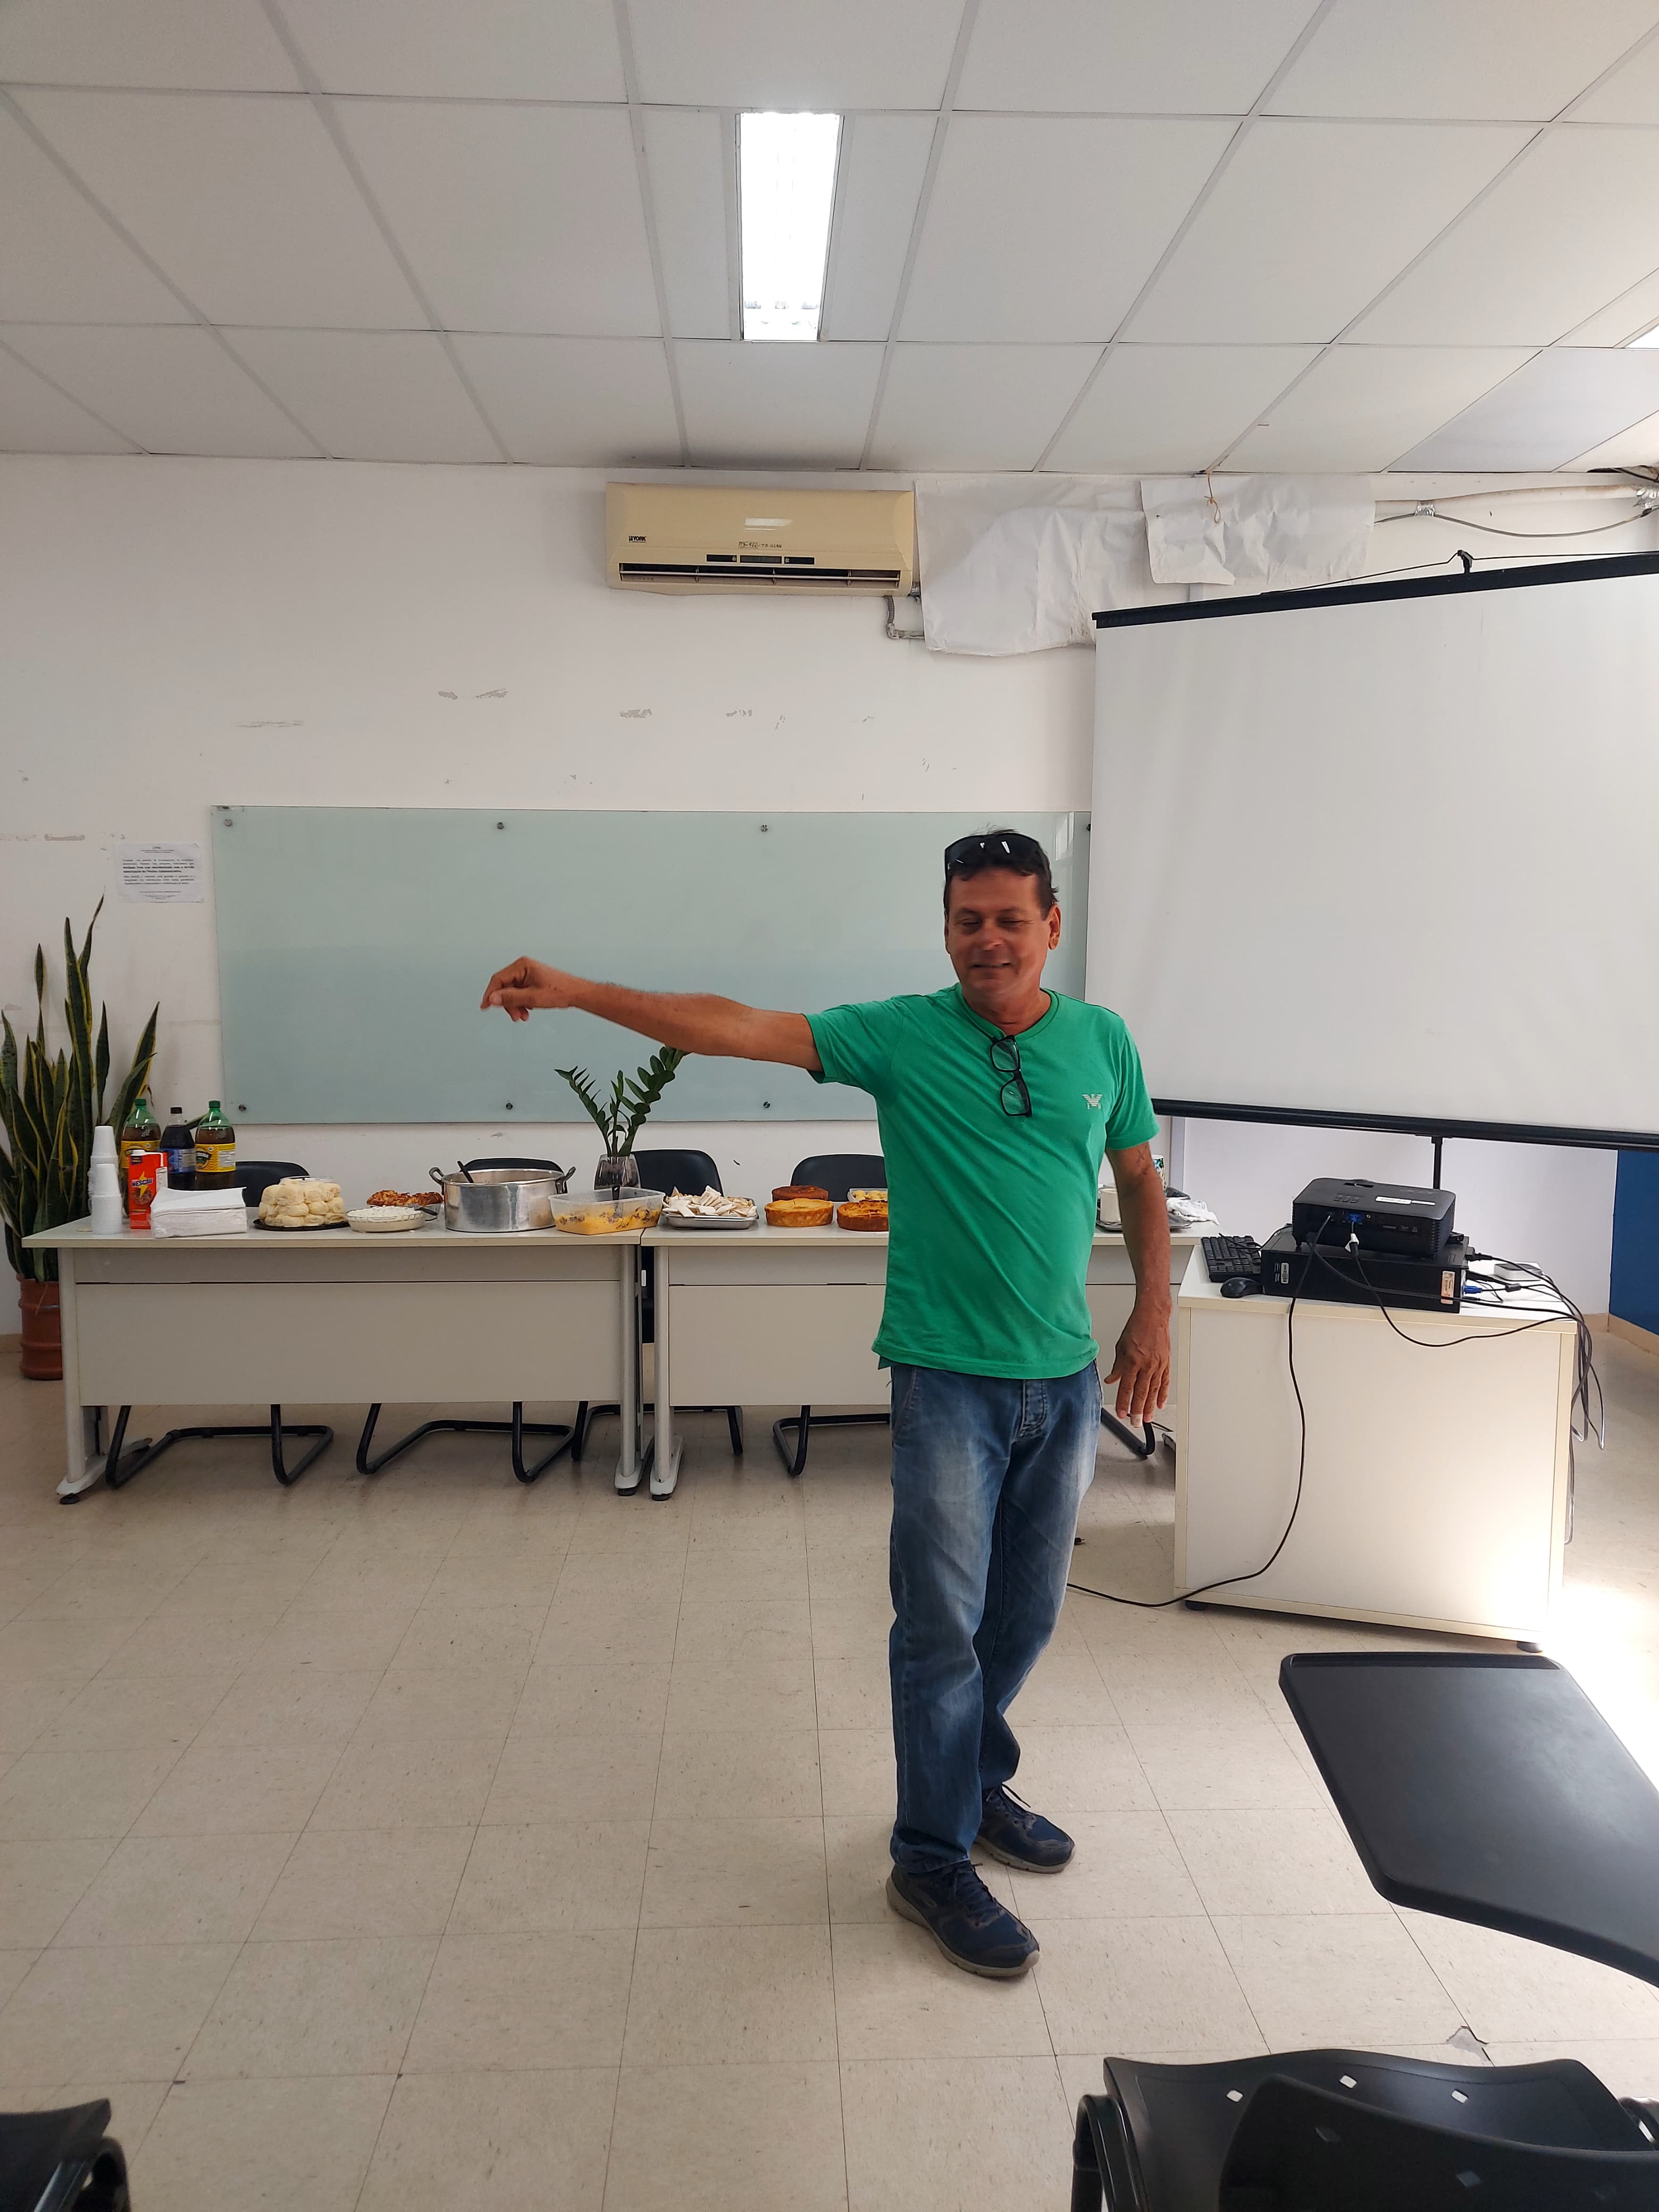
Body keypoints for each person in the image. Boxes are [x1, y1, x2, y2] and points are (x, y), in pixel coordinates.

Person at [481, 827, 1170, 1979]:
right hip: (946, 1379)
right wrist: (580, 991)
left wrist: (1152, 1314)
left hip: (1061, 1380)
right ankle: (930, 1855)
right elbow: (731, 1024)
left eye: (1010, 919)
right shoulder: (900, 1036)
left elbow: (1139, 1180)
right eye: (967, 921)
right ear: (944, 931)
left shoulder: (1104, 1041)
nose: (989, 940)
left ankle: (973, 1780)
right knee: (940, 1627)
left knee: (1025, 1618)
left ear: (1052, 925)